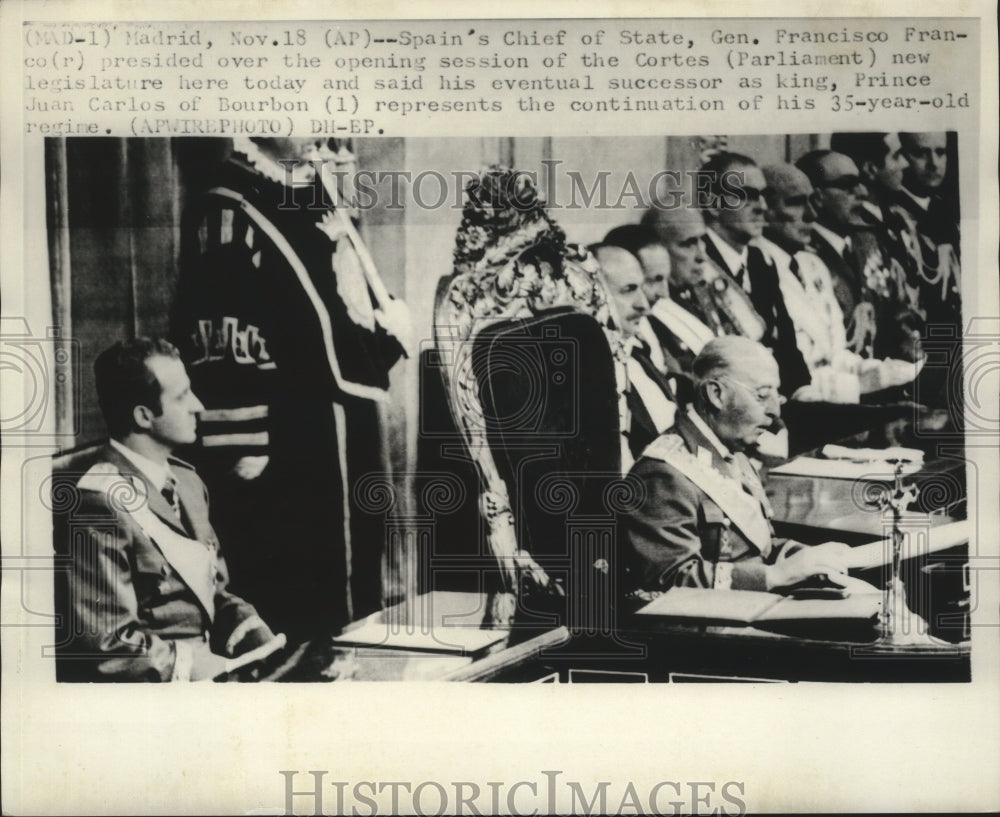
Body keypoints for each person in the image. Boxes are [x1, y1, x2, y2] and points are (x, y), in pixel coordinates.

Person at [171, 137, 410, 640]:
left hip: (343, 428)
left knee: (361, 598)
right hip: (290, 444)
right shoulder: (226, 204)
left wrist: (385, 338)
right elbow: (220, 331)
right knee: (309, 603)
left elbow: (343, 316)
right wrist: (243, 441)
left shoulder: (304, 189)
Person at [53, 338, 281, 681]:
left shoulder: (188, 483)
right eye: (181, 397)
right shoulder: (98, 501)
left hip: (209, 673)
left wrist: (248, 628)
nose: (198, 405)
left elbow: (212, 589)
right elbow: (107, 642)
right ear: (144, 416)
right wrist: (191, 666)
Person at [621, 336, 858, 595]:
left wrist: (806, 556)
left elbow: (757, 550)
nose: (774, 412)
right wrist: (774, 576)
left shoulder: (731, 451)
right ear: (716, 394)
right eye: (762, 395)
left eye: (775, 397)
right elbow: (670, 580)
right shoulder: (663, 473)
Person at [759, 162, 920, 402]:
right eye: (796, 202)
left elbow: (835, 353)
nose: (812, 215)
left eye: (812, 202)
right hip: (803, 408)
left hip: (835, 400)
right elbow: (788, 373)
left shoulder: (811, 265)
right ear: (765, 209)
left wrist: (881, 371)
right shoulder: (756, 271)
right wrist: (856, 385)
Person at [699, 152, 813, 398]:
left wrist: (803, 393)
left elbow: (787, 346)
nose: (762, 207)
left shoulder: (760, 262)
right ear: (713, 204)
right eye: (748, 196)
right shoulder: (697, 263)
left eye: (763, 196)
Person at [796, 149, 921, 364]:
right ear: (817, 197)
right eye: (848, 185)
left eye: (860, 182)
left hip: (889, 377)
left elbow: (900, 313)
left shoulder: (870, 242)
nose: (862, 192)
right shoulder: (801, 253)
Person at [592, 243, 682, 462]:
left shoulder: (638, 354)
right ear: (591, 294)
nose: (644, 306)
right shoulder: (586, 378)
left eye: (642, 288)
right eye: (629, 290)